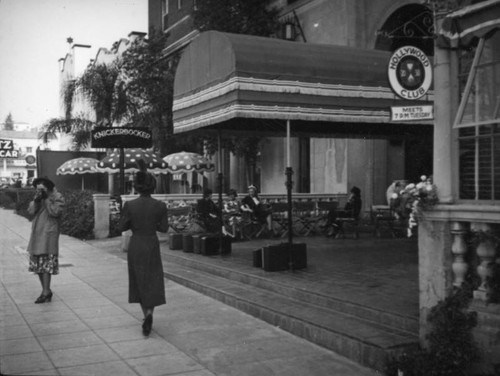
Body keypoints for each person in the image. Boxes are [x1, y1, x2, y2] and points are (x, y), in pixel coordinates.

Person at [119, 160, 169, 336]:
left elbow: (122, 227)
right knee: (152, 280)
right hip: (151, 244)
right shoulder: (160, 206)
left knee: (138, 280)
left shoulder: (130, 205)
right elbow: (163, 229)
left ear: (137, 187)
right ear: (153, 187)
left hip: (136, 244)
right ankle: (150, 313)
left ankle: (146, 315)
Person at [27, 177, 65, 304]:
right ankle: (46, 290)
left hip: (48, 235)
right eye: (37, 189)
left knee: (46, 265)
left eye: (41, 189)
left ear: (48, 187)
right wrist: (37, 200)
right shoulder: (38, 197)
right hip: (37, 235)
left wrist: (47, 199)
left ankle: (45, 292)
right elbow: (31, 212)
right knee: (38, 265)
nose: (39, 191)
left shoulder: (57, 196)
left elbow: (55, 212)